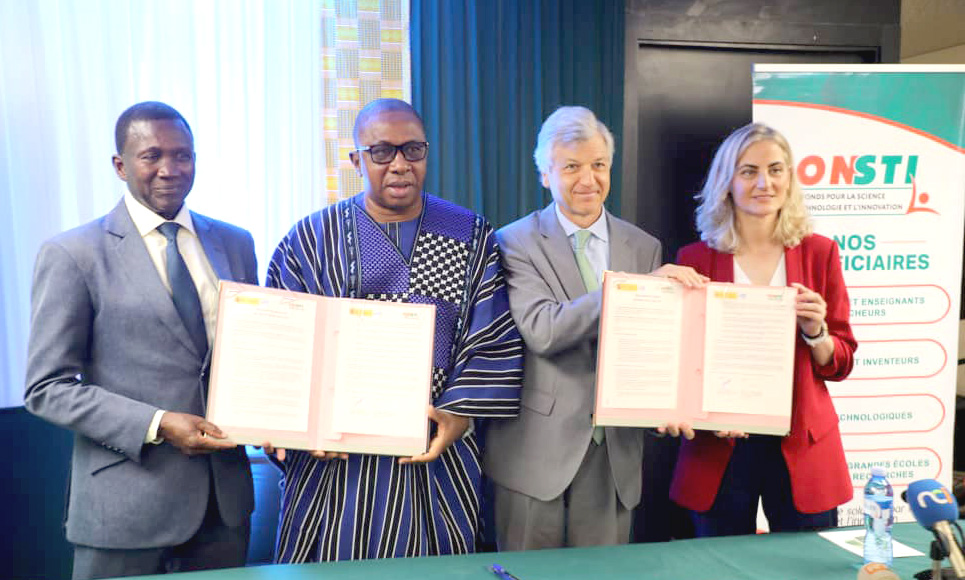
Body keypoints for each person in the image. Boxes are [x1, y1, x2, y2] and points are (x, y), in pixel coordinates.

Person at [265, 98, 523, 562]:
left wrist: (458, 416)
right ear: (356, 160)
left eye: (413, 150)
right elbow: (280, 347)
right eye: (382, 151)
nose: (400, 164)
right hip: (336, 468)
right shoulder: (310, 240)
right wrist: (300, 425)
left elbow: (492, 337)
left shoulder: (470, 235)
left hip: (434, 457)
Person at [24, 101, 258, 578]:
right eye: (152, 156)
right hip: (124, 508)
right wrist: (158, 423)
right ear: (120, 165)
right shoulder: (73, 254)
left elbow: (249, 355)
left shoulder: (235, 243)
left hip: (224, 509)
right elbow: (47, 388)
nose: (170, 169)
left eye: (182, 155)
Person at [482, 106, 703, 550]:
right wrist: (631, 290)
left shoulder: (643, 246)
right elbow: (543, 329)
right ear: (545, 175)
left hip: (614, 455)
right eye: (572, 167)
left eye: (599, 165)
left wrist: (668, 403)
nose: (588, 179)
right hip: (535, 456)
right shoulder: (514, 241)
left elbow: (650, 346)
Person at [670, 122, 857, 536]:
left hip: (802, 445)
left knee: (806, 563)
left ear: (789, 177)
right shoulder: (694, 259)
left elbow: (841, 361)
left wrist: (817, 332)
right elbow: (680, 362)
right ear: (727, 182)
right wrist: (702, 410)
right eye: (749, 171)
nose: (764, 183)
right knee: (720, 564)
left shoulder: (820, 252)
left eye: (775, 170)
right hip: (719, 445)